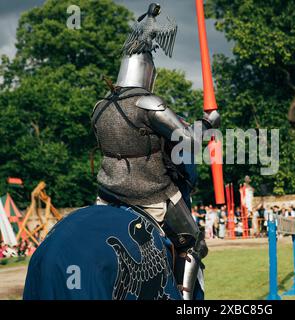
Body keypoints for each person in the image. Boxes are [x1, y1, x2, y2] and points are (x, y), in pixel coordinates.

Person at [90, 3, 220, 299]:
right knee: (193, 244)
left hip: (107, 191)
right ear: (148, 71)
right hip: (150, 191)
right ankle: (185, 301)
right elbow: (187, 140)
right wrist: (209, 122)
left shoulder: (100, 107)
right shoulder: (148, 104)